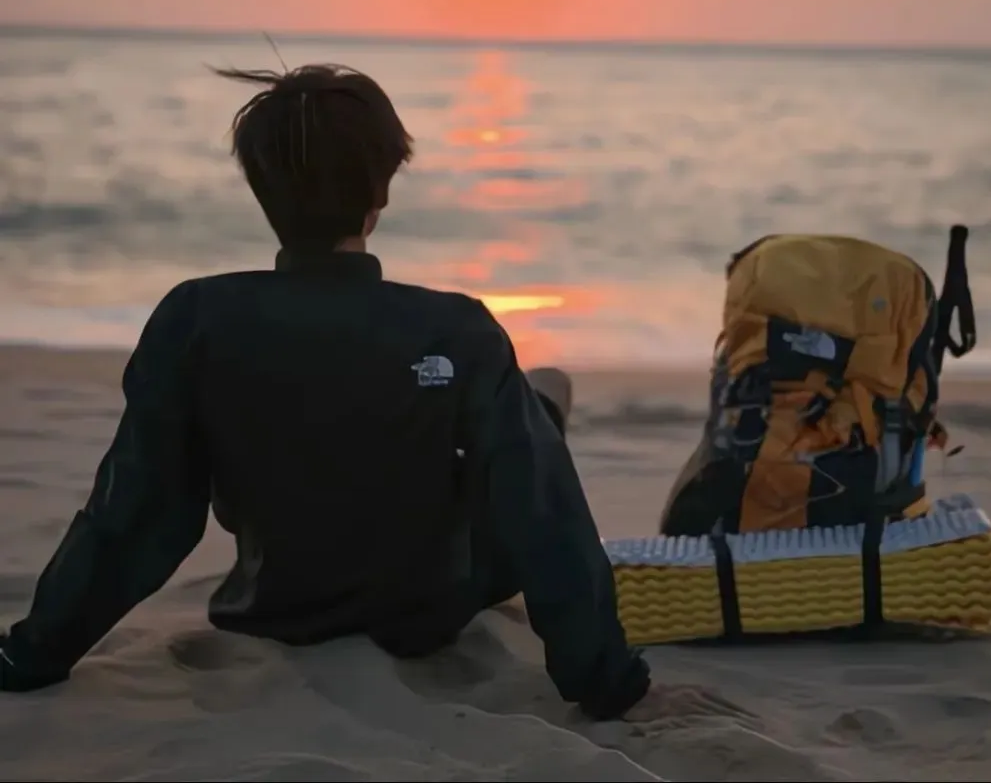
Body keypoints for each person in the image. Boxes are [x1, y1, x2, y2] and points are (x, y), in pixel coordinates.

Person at [0, 63, 726, 722]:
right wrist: (611, 685)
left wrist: (32, 655)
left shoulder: (195, 319)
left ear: (261, 193)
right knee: (541, 405)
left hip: (271, 608)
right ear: (380, 193)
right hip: (427, 615)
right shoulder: (457, 328)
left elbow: (137, 514)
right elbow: (542, 516)